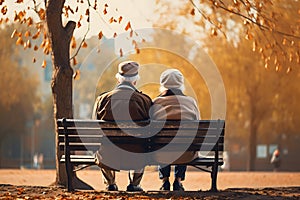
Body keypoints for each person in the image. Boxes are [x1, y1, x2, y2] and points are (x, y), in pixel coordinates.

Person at [92, 61, 152, 191]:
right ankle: (135, 184)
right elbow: (152, 129)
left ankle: (110, 183)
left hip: (108, 156)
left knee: (103, 146)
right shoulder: (144, 100)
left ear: (118, 79)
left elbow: (95, 128)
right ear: (135, 81)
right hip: (136, 155)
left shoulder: (102, 99)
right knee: (143, 145)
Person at [151, 69, 200, 191]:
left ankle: (165, 181)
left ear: (163, 84)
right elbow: (198, 125)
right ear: (181, 84)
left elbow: (150, 129)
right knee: (184, 142)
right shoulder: (191, 102)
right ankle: (178, 180)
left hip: (161, 154)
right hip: (186, 154)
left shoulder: (155, 102)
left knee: (162, 143)